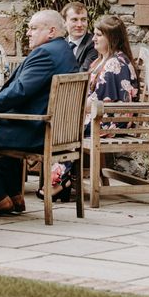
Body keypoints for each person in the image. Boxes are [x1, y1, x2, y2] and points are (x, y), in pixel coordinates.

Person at [37, 14, 139, 202]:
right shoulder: (99, 61)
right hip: (98, 117)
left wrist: (72, 109)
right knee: (61, 125)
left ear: (112, 38)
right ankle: (61, 180)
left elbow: (102, 101)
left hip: (111, 121)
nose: (93, 38)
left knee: (65, 130)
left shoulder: (115, 63)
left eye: (99, 35)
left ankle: (59, 181)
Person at [0, 10, 78, 215]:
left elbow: (19, 91)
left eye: (33, 28)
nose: (28, 33)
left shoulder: (45, 53)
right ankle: (14, 197)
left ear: (51, 31)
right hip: (55, 131)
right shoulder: (64, 50)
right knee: (0, 127)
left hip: (37, 131)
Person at [61, 2, 97, 72]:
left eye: (83, 19)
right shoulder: (61, 44)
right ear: (64, 23)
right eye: (74, 20)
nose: (79, 25)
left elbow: (83, 74)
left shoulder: (93, 43)